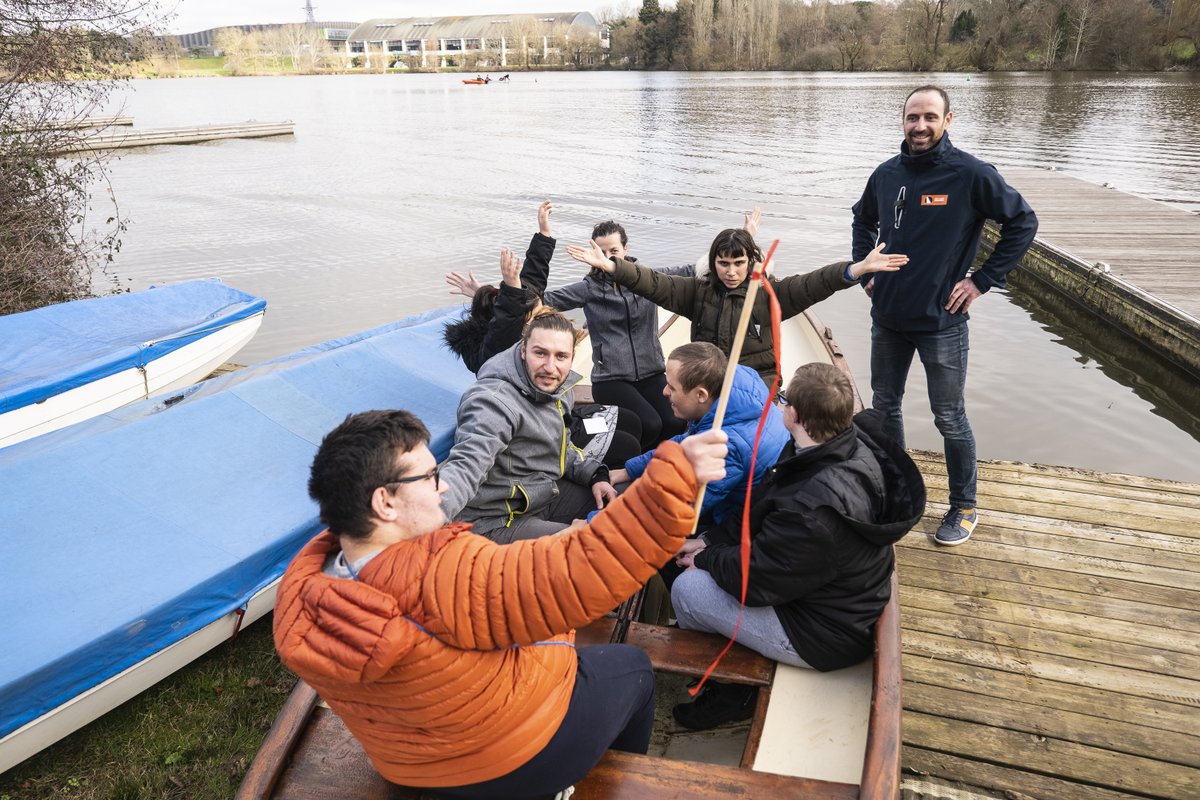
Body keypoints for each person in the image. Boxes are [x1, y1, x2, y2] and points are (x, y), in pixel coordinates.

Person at [273, 408, 729, 799]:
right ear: (384, 503)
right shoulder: (442, 574)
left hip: (408, 761)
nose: (444, 488)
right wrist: (676, 479)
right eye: (431, 477)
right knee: (631, 668)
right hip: (509, 761)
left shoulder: (303, 586)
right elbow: (587, 569)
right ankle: (616, 784)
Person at [668, 362, 926, 731]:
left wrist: (707, 559)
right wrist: (710, 540)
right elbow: (763, 511)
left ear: (793, 414)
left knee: (689, 589)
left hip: (822, 632)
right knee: (701, 559)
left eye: (785, 399)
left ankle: (731, 692)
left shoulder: (812, 508)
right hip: (825, 593)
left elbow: (756, 583)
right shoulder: (834, 448)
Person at [851, 84, 1037, 546]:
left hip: (942, 321)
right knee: (885, 407)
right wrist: (865, 271)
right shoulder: (886, 173)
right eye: (913, 117)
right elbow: (862, 219)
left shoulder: (970, 174)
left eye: (930, 117)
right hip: (888, 316)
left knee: (949, 416)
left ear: (947, 121)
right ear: (903, 120)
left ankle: (964, 504)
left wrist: (982, 280)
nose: (920, 126)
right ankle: (894, 488)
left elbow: (1022, 222)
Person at [566, 225, 908, 391]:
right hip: (711, 386)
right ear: (713, 262)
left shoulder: (771, 296)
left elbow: (815, 283)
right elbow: (653, 283)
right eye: (723, 262)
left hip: (756, 386)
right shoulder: (696, 293)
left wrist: (856, 269)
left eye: (738, 263)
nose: (730, 271)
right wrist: (614, 268)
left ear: (751, 262)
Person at [442, 203, 642, 468]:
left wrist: (544, 234)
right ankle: (599, 474)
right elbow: (505, 323)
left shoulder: (524, 319)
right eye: (523, 304)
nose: (537, 304)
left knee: (631, 421)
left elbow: (534, 279)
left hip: (560, 412)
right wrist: (509, 293)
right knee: (628, 444)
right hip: (544, 432)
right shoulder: (497, 354)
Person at [439, 312, 619, 542]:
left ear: (572, 357)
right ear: (523, 350)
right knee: (596, 544)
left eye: (561, 356)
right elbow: (467, 464)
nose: (550, 367)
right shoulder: (493, 402)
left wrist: (596, 475)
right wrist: (433, 514)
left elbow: (563, 446)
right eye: (540, 353)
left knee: (623, 499)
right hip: (496, 521)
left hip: (541, 496)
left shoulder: (557, 390)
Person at [611, 342, 788, 528]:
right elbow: (684, 442)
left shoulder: (726, 446)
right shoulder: (733, 384)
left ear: (701, 395)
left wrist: (594, 521)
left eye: (672, 387)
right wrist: (628, 470)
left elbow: (672, 512)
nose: (664, 391)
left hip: (737, 523)